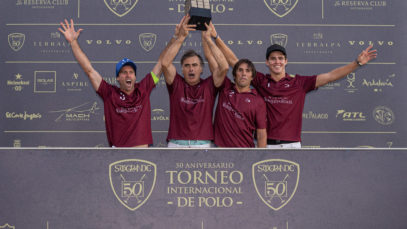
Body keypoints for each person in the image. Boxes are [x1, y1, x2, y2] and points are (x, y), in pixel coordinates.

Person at [209, 26, 378, 148]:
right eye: (273, 58)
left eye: (281, 58)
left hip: (292, 146)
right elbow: (234, 62)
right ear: (267, 63)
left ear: (286, 61)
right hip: (266, 145)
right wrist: (216, 38)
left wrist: (357, 63)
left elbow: (331, 76)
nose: (277, 61)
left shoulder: (300, 83)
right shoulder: (260, 80)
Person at [58, 19, 172, 147]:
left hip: (143, 154)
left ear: (135, 76)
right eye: (124, 72)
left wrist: (176, 37)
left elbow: (161, 63)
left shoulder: (144, 88)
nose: (128, 75)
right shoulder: (109, 93)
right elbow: (89, 70)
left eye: (131, 72)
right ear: (118, 78)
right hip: (117, 155)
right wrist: (73, 42)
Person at [161, 16, 228, 148]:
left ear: (202, 69)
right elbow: (165, 63)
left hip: (203, 145)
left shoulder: (209, 85)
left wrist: (209, 39)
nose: (191, 68)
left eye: (195, 65)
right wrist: (181, 37)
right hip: (176, 144)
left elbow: (224, 67)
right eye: (187, 66)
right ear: (182, 69)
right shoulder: (176, 84)